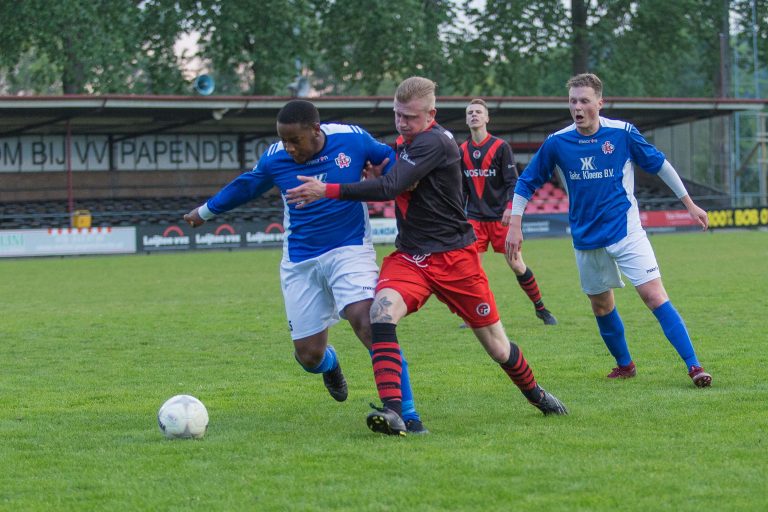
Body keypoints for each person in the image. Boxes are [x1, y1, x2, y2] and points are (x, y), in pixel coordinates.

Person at [286, 76, 567, 437]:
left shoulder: (435, 142)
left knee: (498, 347)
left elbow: (390, 186)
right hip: (412, 257)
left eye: (411, 118)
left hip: (455, 259)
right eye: (398, 115)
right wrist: (385, 170)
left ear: (431, 114)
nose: (402, 124)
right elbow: (395, 176)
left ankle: (537, 394)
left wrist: (327, 189)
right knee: (381, 312)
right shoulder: (407, 144)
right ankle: (396, 413)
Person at [183, 99, 428, 433]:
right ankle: (331, 363)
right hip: (300, 261)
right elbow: (248, 185)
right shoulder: (275, 157)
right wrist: (206, 211)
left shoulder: (351, 138)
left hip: (349, 250)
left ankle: (408, 415)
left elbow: (389, 159)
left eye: (294, 140)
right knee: (309, 355)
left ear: (316, 131)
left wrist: (388, 173)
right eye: (284, 140)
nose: (289, 147)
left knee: (371, 323)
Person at [505, 73, 712, 388]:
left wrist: (689, 204)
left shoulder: (622, 134)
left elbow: (660, 165)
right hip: (587, 237)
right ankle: (625, 365)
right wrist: (515, 223)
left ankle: (695, 367)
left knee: (654, 295)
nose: (577, 107)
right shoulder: (557, 142)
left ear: (599, 103)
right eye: (573, 101)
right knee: (602, 305)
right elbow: (527, 180)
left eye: (584, 100)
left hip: (626, 229)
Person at [460, 98, 557, 326]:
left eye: (478, 112)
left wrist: (510, 208)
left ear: (486, 118)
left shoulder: (501, 147)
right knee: (471, 268)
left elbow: (513, 182)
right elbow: (461, 189)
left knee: (516, 265)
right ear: (466, 119)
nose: (474, 115)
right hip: (475, 219)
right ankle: (475, 314)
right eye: (470, 112)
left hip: (500, 220)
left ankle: (541, 308)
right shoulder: (461, 150)